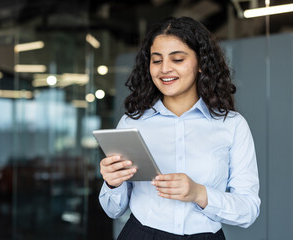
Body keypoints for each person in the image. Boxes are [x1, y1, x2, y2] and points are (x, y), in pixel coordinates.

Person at [98, 16, 260, 240]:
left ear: (201, 63)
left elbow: (248, 210)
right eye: (156, 60)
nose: (165, 69)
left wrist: (199, 193)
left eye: (177, 59)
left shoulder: (232, 125)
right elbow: (113, 210)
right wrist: (112, 183)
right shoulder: (132, 123)